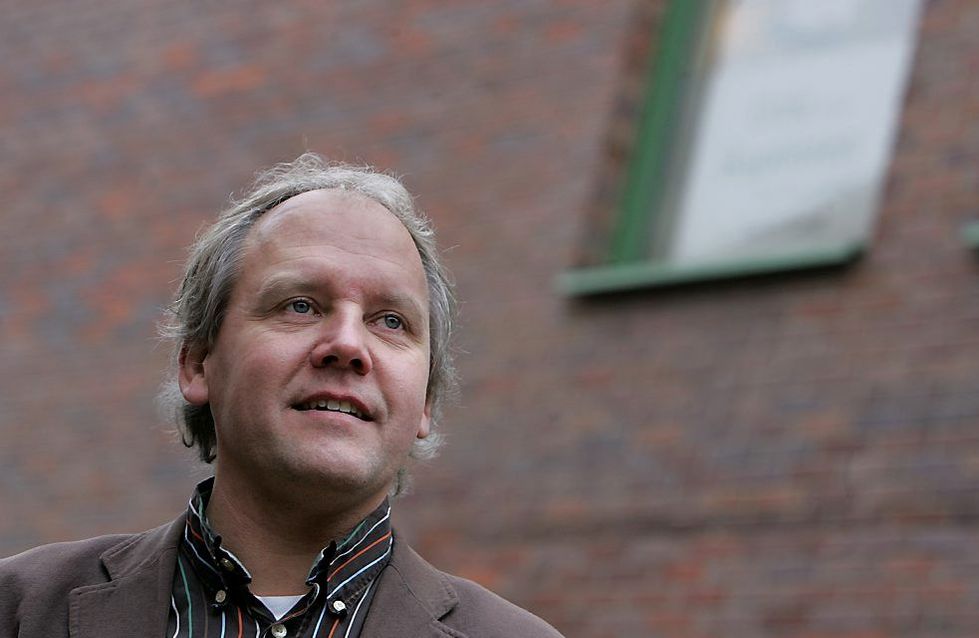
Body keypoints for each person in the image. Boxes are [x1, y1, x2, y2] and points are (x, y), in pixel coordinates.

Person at [0, 154, 563, 637]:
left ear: (425, 403)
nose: (348, 345)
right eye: (300, 305)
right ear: (199, 363)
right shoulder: (19, 610)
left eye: (390, 321)